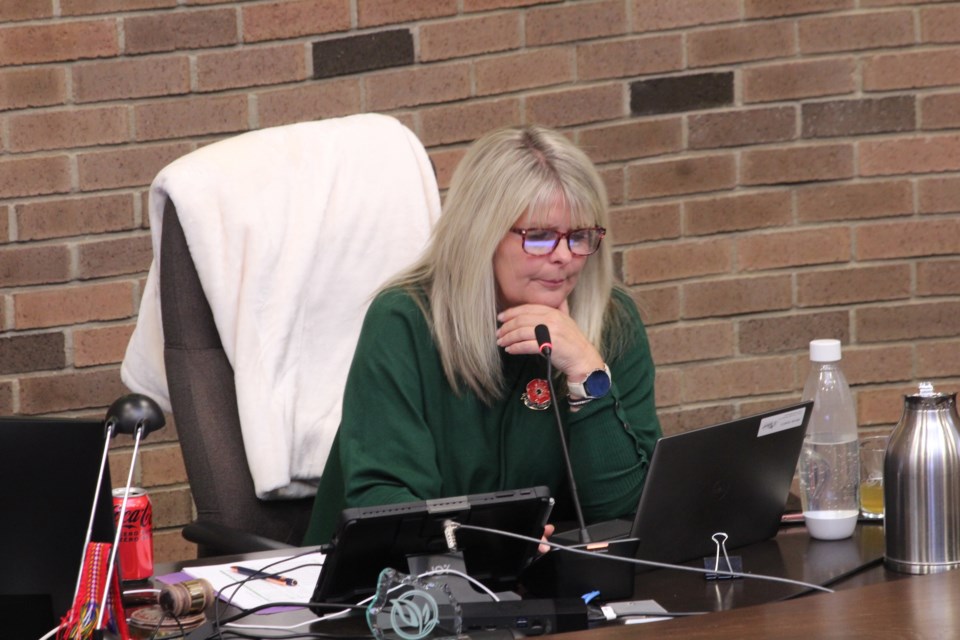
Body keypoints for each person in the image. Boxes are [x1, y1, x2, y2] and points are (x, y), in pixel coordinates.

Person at [303, 125, 661, 545]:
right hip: (394, 587)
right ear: (482, 235)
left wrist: (586, 373)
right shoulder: (404, 319)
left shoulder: (612, 320)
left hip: (552, 582)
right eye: (540, 236)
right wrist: (497, 545)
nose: (564, 256)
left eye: (579, 236)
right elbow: (385, 504)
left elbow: (631, 513)